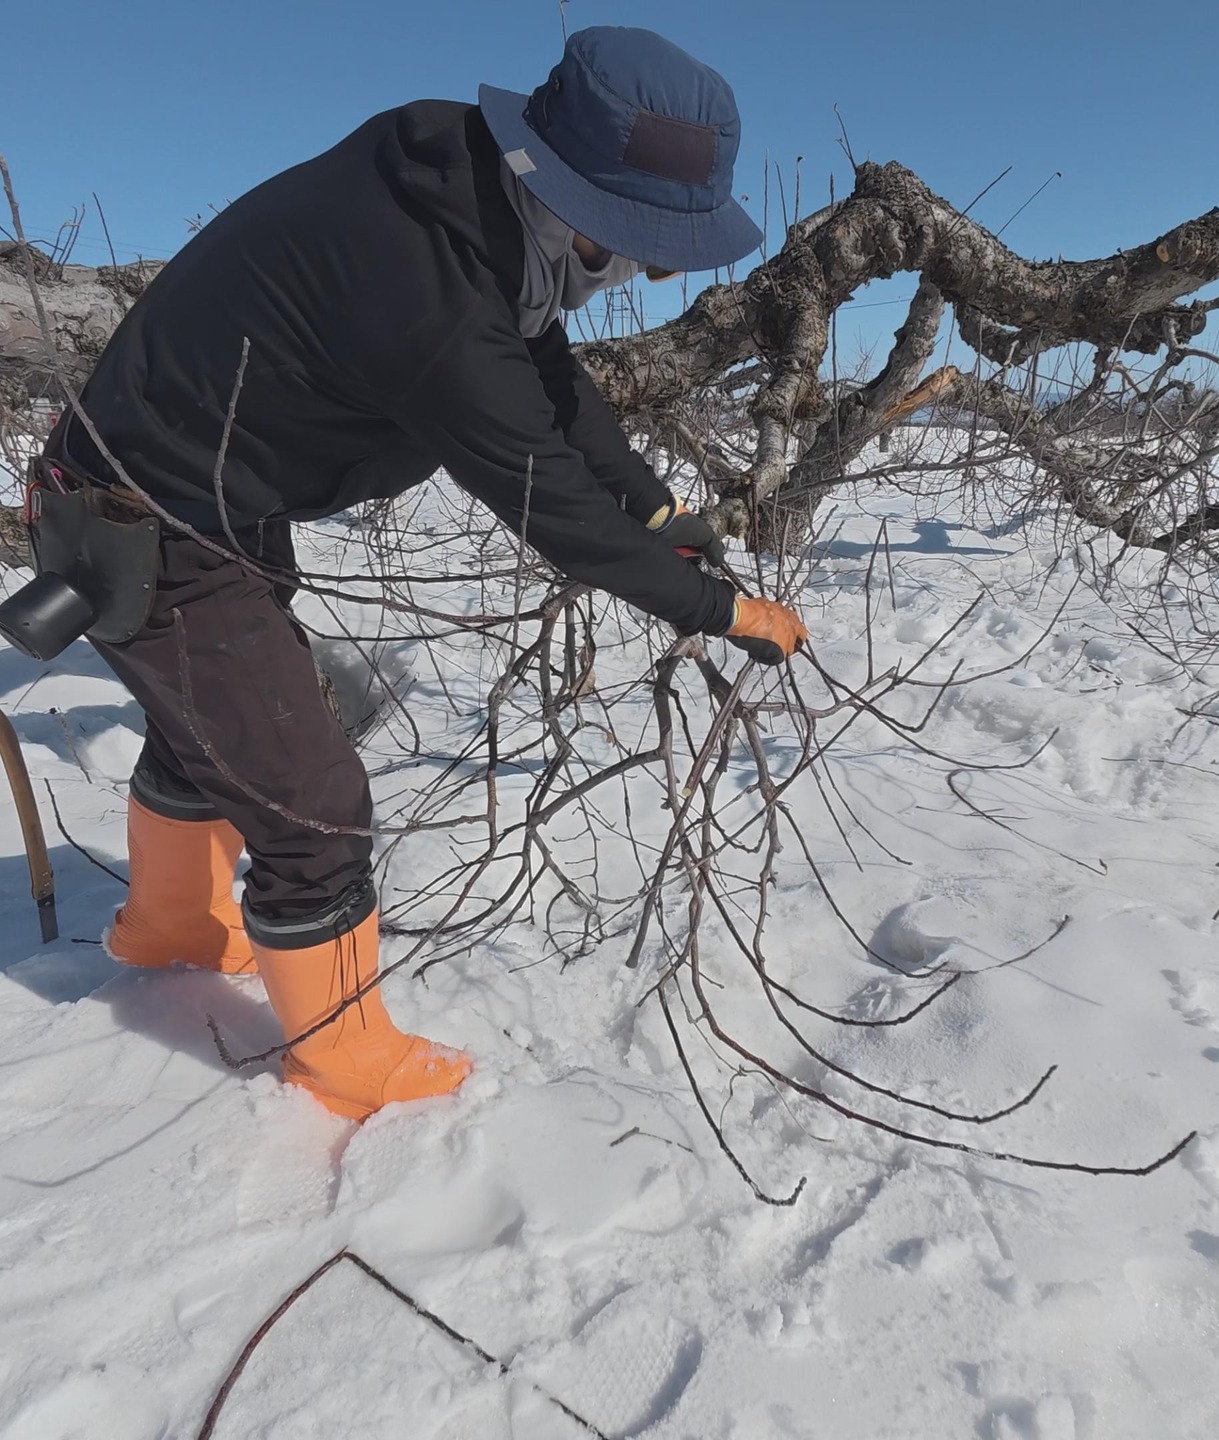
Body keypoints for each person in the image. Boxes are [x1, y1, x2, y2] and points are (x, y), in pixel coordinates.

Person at [41, 26, 808, 1121]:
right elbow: (550, 502)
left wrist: (658, 505)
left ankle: (172, 927)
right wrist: (720, 607)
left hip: (208, 485)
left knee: (218, 723)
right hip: (138, 508)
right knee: (313, 806)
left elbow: (556, 382)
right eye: (630, 245)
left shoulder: (472, 194)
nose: (638, 270)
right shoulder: (430, 288)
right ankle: (342, 1054)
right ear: (565, 189)